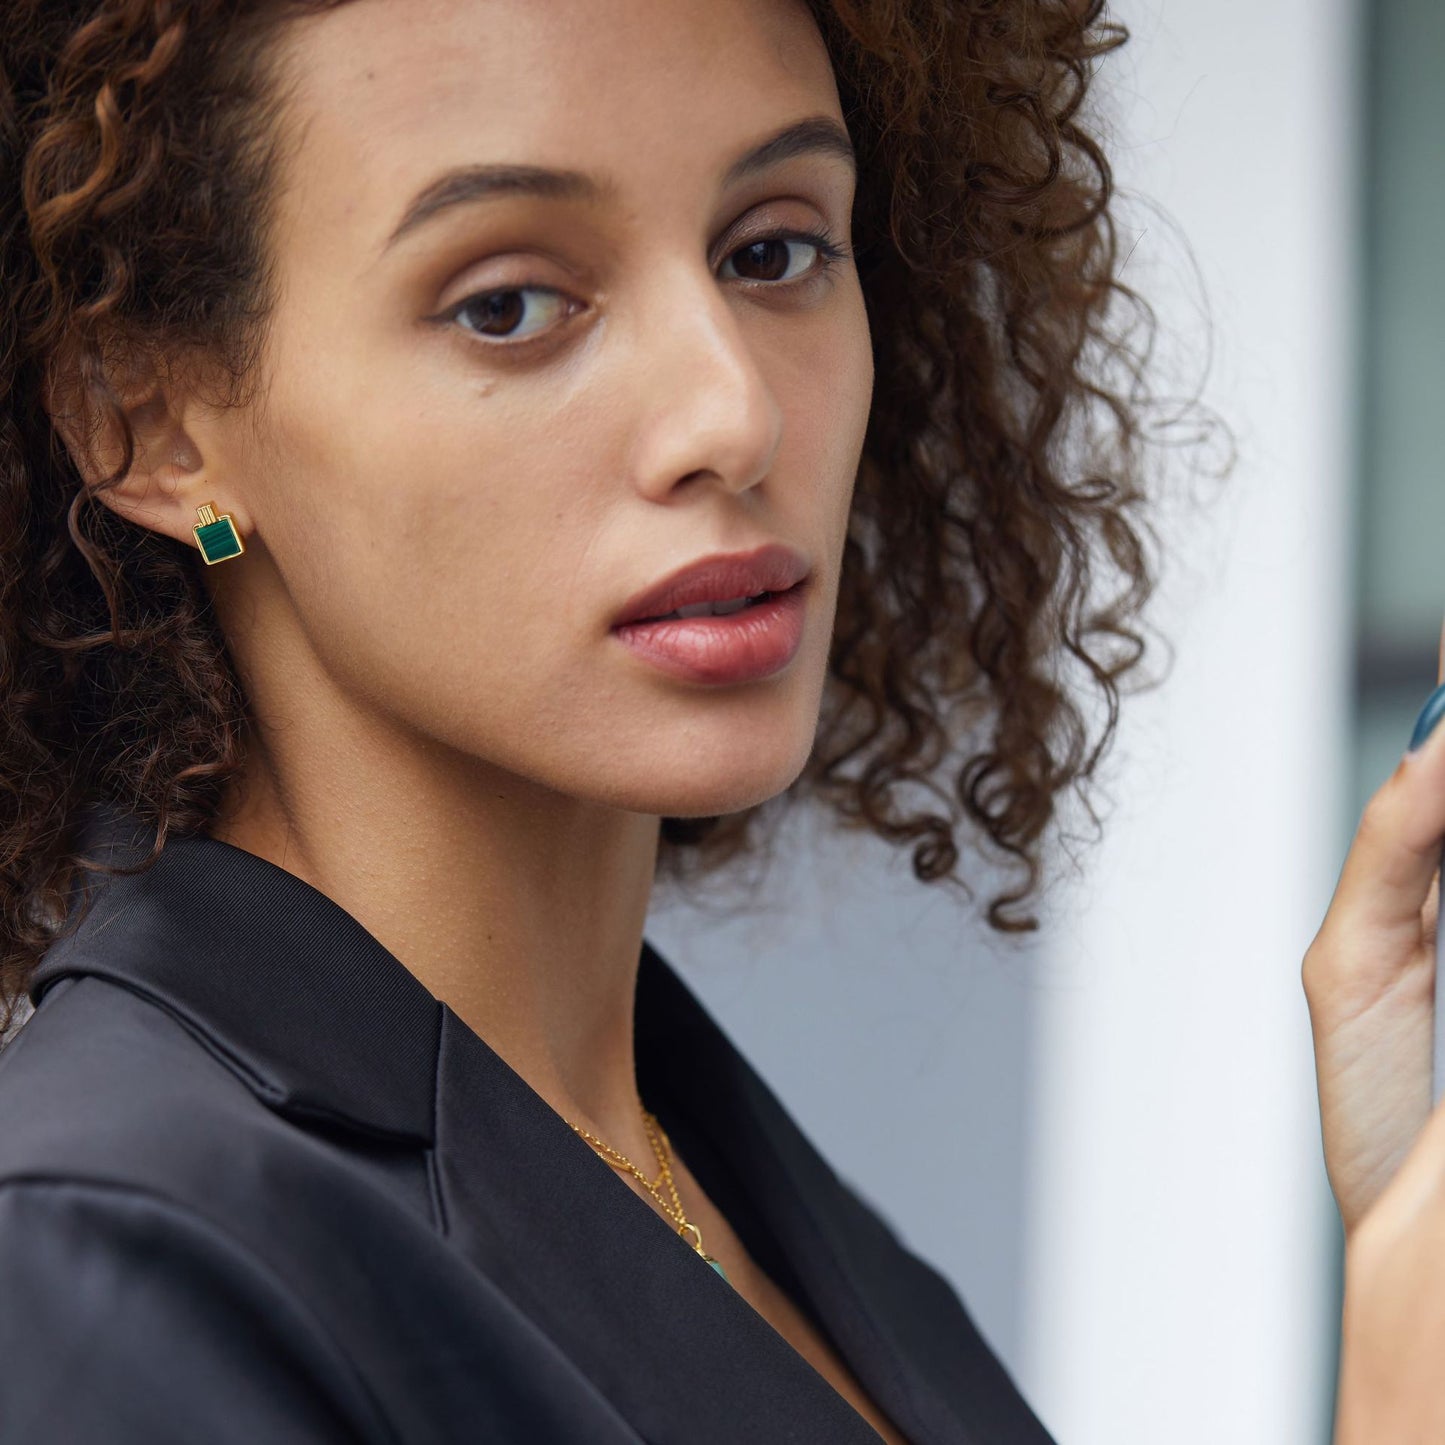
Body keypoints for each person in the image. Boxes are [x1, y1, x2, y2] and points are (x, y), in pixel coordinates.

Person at [3, 0, 1374, 1440]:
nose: (732, 412)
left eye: (771, 252)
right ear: (145, 423)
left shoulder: (702, 1164)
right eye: (511, 302)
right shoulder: (102, 1249)